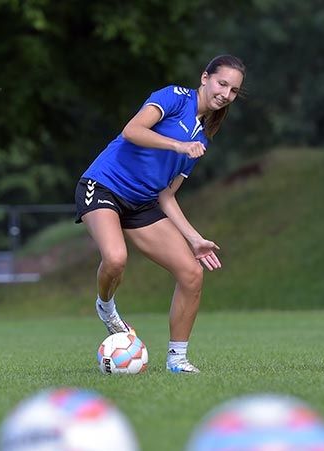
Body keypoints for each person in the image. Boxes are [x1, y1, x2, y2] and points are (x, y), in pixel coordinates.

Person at [75, 55, 246, 374]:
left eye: (234, 90)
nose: (225, 94)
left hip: (142, 203)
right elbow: (132, 130)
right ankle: (106, 306)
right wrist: (178, 146)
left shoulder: (203, 137)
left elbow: (166, 195)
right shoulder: (173, 97)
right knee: (115, 259)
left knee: (192, 274)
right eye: (222, 83)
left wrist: (194, 239)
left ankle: (177, 359)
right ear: (205, 77)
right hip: (103, 186)